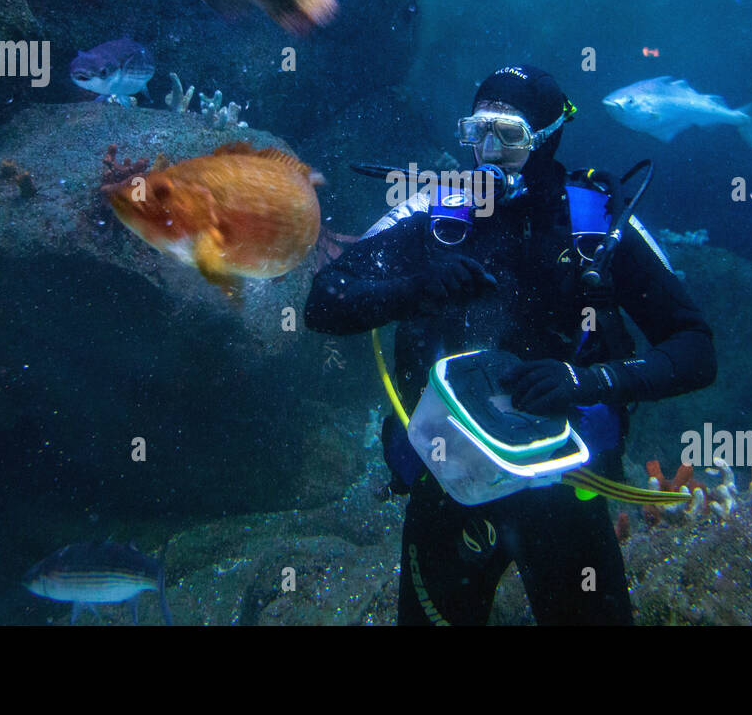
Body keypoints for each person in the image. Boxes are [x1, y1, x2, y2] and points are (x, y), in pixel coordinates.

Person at [305, 65, 716, 625]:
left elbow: (695, 347)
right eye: (477, 132)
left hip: (570, 482)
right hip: (451, 480)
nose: (489, 152)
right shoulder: (437, 212)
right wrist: (413, 291)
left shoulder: (597, 221)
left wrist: (587, 381)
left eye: (510, 135)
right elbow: (325, 301)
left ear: (549, 137)